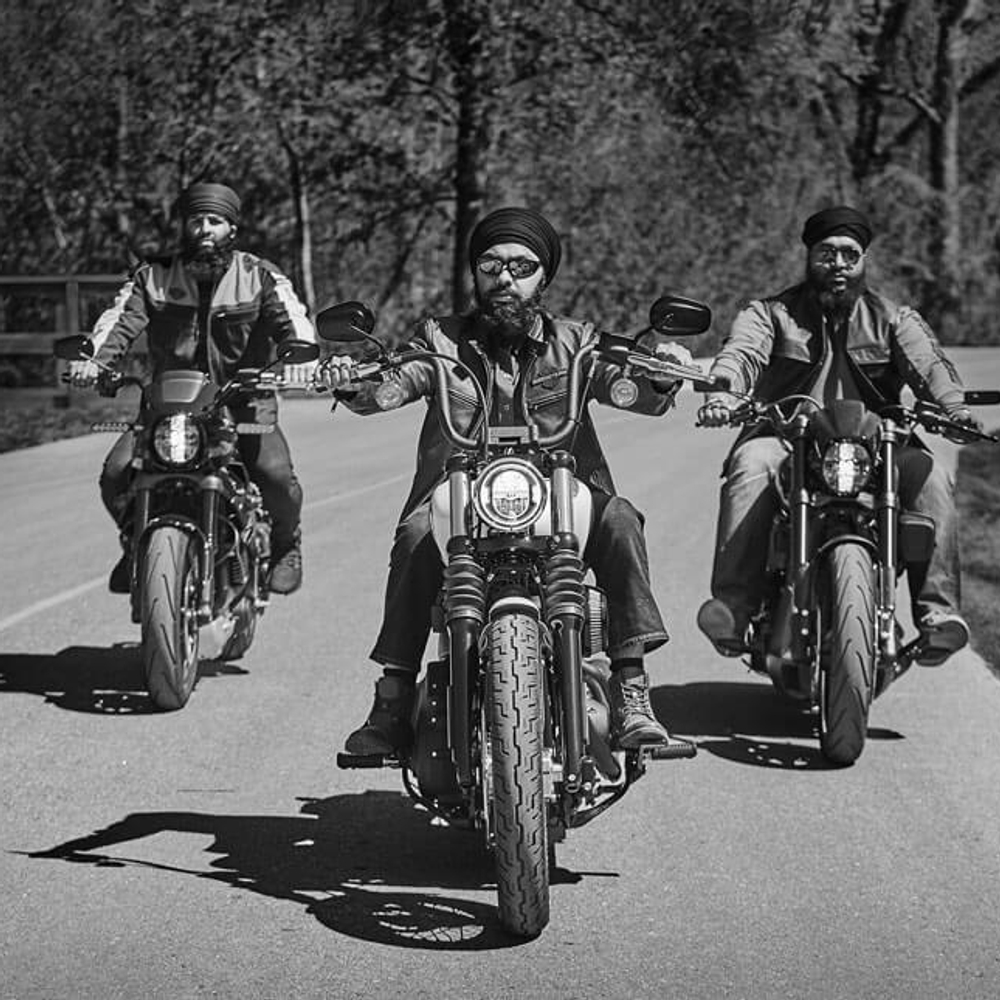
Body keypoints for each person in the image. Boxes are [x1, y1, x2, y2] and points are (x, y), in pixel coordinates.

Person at [322, 206, 692, 754]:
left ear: (544, 277)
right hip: (463, 497)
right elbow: (393, 385)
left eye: (522, 266)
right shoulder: (440, 340)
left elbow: (627, 387)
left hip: (560, 496)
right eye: (491, 265)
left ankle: (632, 689)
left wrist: (659, 374)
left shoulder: (578, 343)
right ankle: (392, 700)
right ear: (475, 273)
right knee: (416, 533)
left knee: (619, 517)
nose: (505, 279)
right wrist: (353, 382)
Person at [696, 205, 981, 666]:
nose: (838, 265)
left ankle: (937, 616)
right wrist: (724, 396)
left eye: (850, 254)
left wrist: (955, 410)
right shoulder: (771, 314)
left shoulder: (893, 318)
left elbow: (930, 365)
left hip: (877, 444)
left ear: (864, 259)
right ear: (809, 257)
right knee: (750, 465)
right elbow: (741, 354)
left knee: (932, 478)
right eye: (826, 253)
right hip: (789, 437)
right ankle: (734, 607)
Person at [68, 181, 316, 595]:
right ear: (183, 226)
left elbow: (295, 325)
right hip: (171, 404)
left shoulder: (259, 276)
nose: (204, 229)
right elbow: (119, 324)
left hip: (244, 403)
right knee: (116, 474)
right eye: (196, 220)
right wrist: (93, 362)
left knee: (274, 476)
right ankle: (137, 546)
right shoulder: (153, 277)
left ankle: (286, 544)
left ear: (231, 229)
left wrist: (302, 362)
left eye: (215, 221)